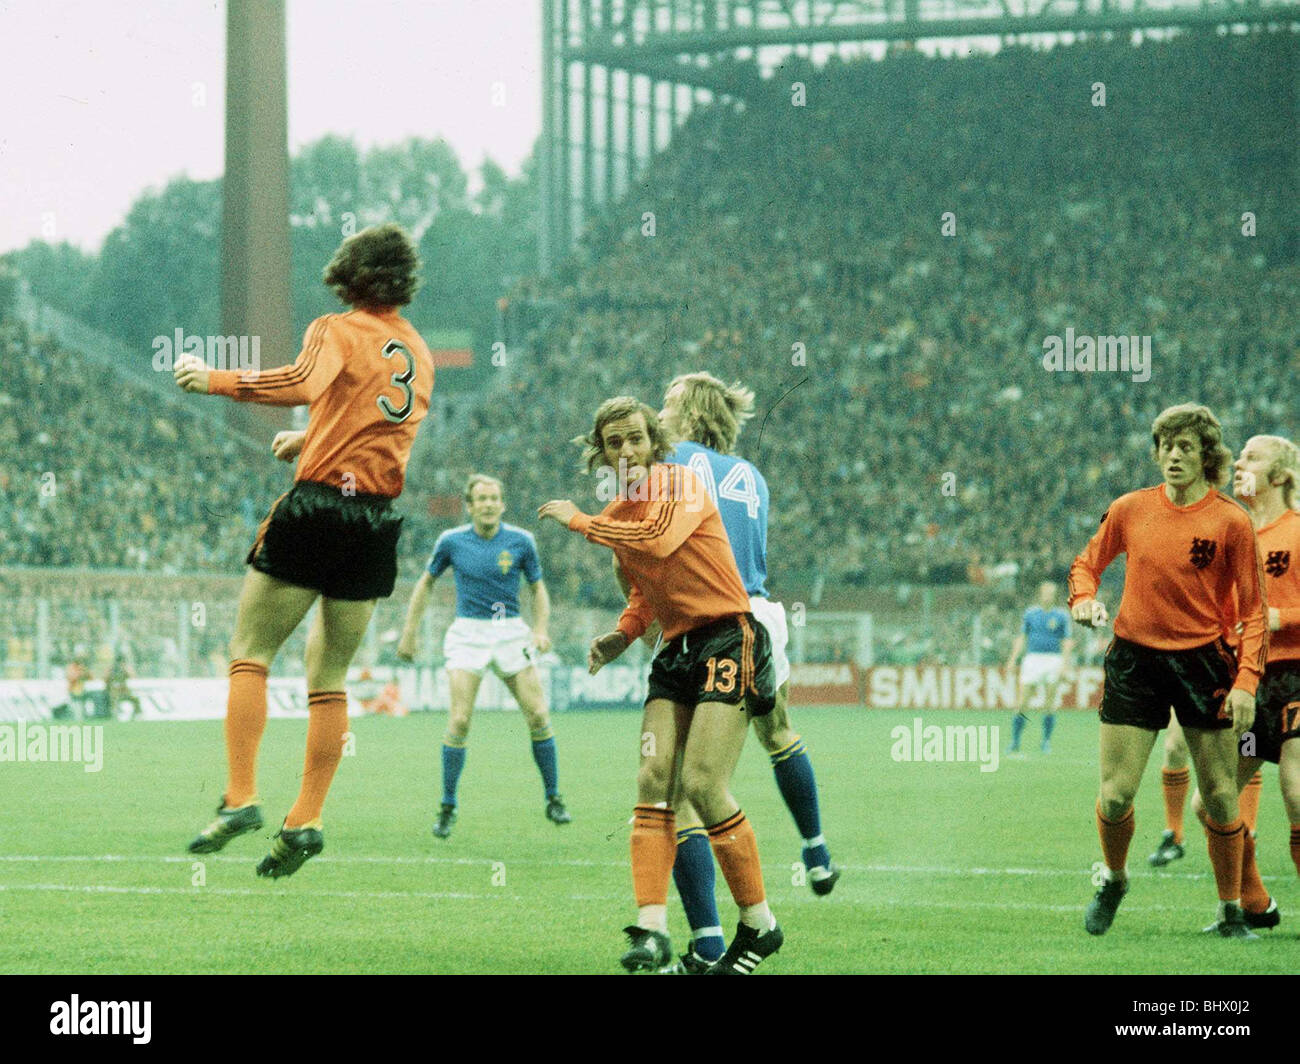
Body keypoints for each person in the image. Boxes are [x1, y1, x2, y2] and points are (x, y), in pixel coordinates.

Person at [176, 222, 434, 878]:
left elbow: (302, 381)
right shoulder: (419, 352)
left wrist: (216, 379)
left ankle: (239, 799)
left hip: (318, 507)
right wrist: (311, 437)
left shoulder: (336, 328)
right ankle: (308, 818)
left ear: (351, 275)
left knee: (251, 652)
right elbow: (370, 421)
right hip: (375, 520)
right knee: (330, 677)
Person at [539, 395, 783, 975]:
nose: (627, 451)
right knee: (653, 779)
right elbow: (644, 586)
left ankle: (760, 924)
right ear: (601, 452)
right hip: (676, 649)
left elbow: (656, 542)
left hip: (728, 635)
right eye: (614, 443)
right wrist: (623, 636)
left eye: (636, 440)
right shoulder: (620, 513)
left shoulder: (681, 485)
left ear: (656, 444)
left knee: (701, 781)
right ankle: (651, 928)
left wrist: (578, 519)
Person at [618, 372, 837, 971]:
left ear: (687, 413)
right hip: (761, 612)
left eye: (665, 404)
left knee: (687, 788)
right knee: (778, 733)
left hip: (711, 618)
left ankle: (710, 939)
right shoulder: (751, 475)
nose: (658, 415)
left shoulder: (674, 466)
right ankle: (816, 852)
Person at [1069, 403, 1267, 938]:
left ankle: (1230, 911)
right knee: (1115, 795)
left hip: (1204, 662)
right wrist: (1083, 599)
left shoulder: (1231, 521)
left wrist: (1247, 681)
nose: (1174, 456)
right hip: (1135, 658)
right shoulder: (1130, 509)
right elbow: (1086, 564)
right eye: (1166, 446)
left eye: (1186, 447)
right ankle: (1114, 878)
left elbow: (1253, 611)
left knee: (1222, 795)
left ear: (1207, 455)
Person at [396, 473, 570, 837]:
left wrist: (540, 630)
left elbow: (539, 590)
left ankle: (554, 798)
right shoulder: (451, 541)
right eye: (482, 499)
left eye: (494, 498)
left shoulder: (522, 541)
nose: (489, 504)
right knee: (459, 721)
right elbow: (425, 584)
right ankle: (447, 806)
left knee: (538, 713)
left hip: (510, 631)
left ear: (502, 504)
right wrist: (409, 633)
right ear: (470, 506)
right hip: (468, 633)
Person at [1184, 434, 1300, 929]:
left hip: (1294, 676)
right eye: (1239, 456)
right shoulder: (1229, 534)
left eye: (1253, 458)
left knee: (1295, 788)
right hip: (1247, 684)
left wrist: (1282, 616)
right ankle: (1256, 904)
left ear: (1280, 476)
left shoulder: (1296, 530)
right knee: (1210, 800)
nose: (1239, 463)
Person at [1005, 581, 1073, 754]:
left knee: (1049, 703)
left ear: (1055, 596)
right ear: (1040, 594)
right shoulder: (1031, 614)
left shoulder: (1061, 616)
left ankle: (1046, 741)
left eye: (1051, 593)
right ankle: (1015, 741)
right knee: (1022, 703)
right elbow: (1022, 637)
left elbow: (1066, 642)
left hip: (1053, 660)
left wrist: (1065, 665)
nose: (1048, 596)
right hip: (1033, 659)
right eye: (1045, 593)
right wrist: (1013, 659)